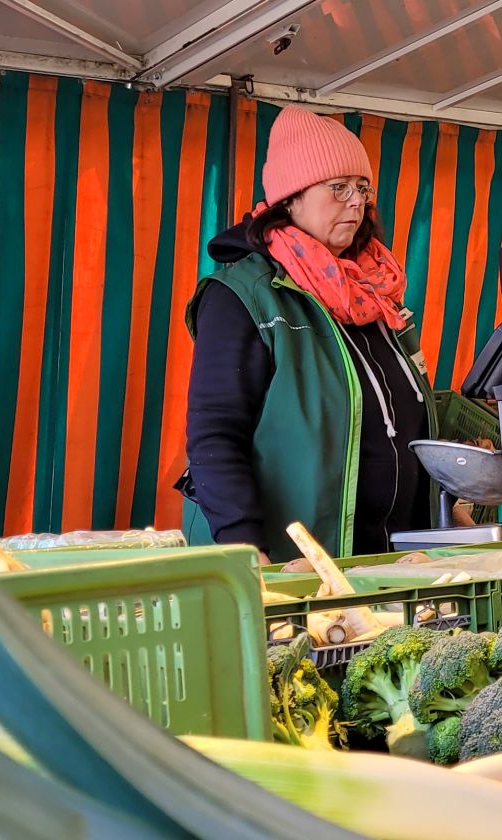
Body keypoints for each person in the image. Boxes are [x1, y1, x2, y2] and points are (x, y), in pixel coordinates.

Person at [177, 105, 434, 563]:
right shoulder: (244, 295)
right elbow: (215, 434)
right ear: (289, 200)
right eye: (338, 188)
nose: (357, 201)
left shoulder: (373, 292)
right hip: (293, 563)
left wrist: (446, 505)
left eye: (362, 188)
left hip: (389, 558)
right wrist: (243, 548)